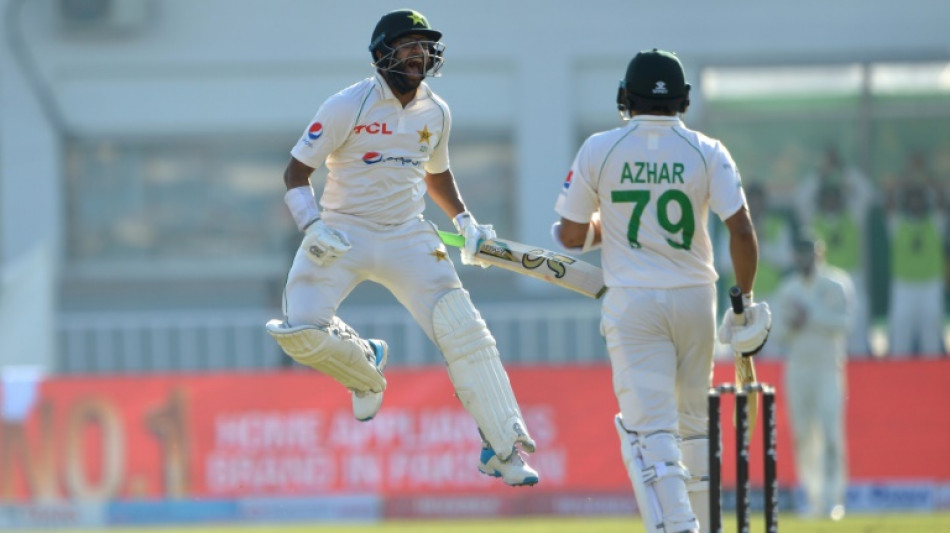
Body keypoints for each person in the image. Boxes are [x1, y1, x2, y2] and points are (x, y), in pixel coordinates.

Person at [264, 9, 538, 486]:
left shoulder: (437, 110)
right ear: (380, 55)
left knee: (465, 330)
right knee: (299, 332)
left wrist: (465, 221)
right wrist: (312, 225)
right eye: (408, 44)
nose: (420, 53)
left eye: (426, 45)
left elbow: (437, 173)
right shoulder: (347, 105)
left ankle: (505, 446)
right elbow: (295, 173)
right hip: (342, 231)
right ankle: (365, 369)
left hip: (408, 234)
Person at [552, 49, 770, 533]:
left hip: (634, 301)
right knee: (694, 424)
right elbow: (742, 230)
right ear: (683, 100)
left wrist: (607, 223)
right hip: (696, 296)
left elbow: (569, 236)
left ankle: (679, 526)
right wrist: (745, 302)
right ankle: (706, 522)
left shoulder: (600, 147)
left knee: (651, 430)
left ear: (624, 98)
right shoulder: (707, 150)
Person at [772, 236, 853, 520]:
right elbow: (778, 332)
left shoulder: (836, 284)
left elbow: (845, 323)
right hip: (798, 369)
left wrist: (812, 315)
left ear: (820, 253)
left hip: (828, 367)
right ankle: (814, 498)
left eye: (810, 253)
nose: (805, 258)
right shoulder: (788, 288)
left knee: (831, 432)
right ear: (795, 257)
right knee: (803, 435)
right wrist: (793, 324)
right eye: (800, 253)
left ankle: (834, 500)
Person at [795, 146, 875, 356]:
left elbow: (866, 192)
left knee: (856, 338)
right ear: (821, 198)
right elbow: (801, 199)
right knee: (828, 338)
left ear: (841, 197)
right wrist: (821, 172)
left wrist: (842, 169)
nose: (831, 200)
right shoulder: (814, 221)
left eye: (835, 195)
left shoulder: (853, 216)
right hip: (825, 282)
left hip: (853, 280)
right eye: (827, 196)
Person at [715, 182, 794, 357]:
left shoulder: (776, 225)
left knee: (773, 348)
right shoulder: (731, 226)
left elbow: (785, 259)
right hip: (740, 298)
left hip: (771, 297)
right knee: (739, 347)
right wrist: (746, 243)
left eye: (759, 201)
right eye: (752, 201)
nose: (755, 206)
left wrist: (761, 242)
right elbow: (724, 263)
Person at [884, 157, 947, 357]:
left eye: (919, 199)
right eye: (912, 199)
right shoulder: (897, 225)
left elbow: (941, 198)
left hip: (931, 286)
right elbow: (890, 200)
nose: (916, 203)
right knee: (899, 341)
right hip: (903, 288)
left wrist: (925, 174)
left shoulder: (935, 223)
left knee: (932, 341)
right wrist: (908, 174)